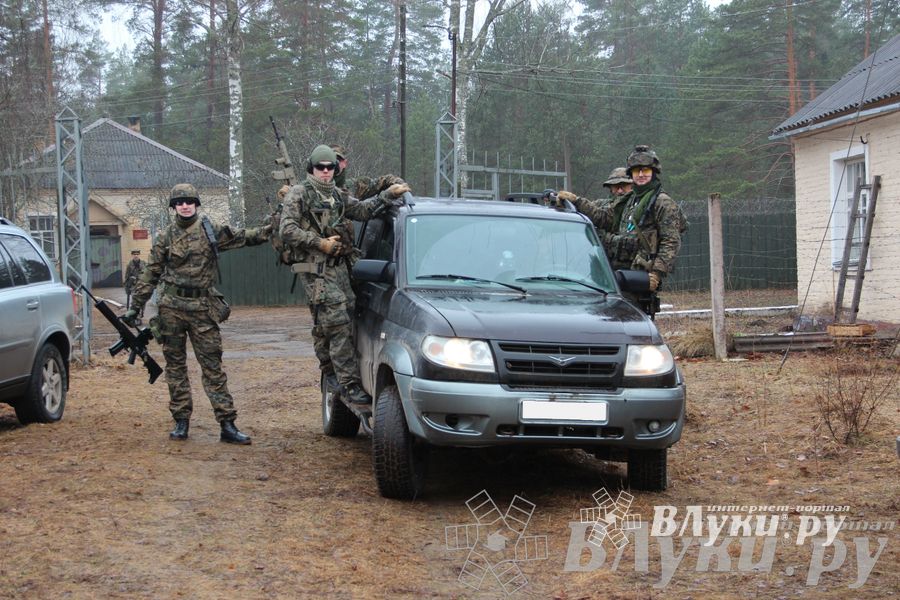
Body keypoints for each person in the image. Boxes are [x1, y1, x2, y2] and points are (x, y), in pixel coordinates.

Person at [123, 183, 271, 444]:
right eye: (179, 202)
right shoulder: (166, 236)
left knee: (213, 367)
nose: (185, 205)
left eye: (189, 200)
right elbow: (150, 273)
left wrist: (274, 229)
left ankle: (227, 424)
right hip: (171, 310)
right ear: (173, 207)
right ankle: (181, 421)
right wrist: (136, 306)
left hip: (203, 310)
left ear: (196, 203)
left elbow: (244, 237)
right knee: (175, 367)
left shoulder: (210, 230)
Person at [279, 145, 409, 405]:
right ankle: (347, 385)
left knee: (337, 322)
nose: (326, 172)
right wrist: (319, 243)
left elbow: (361, 210)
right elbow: (287, 229)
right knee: (336, 322)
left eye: (330, 168)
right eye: (320, 168)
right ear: (312, 169)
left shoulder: (336, 195)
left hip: (339, 268)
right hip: (317, 269)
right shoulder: (299, 193)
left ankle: (330, 371)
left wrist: (387, 195)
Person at [559, 146, 683, 301]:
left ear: (654, 172)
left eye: (646, 170)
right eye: (637, 171)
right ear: (631, 174)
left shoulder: (662, 202)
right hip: (617, 274)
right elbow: (604, 218)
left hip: (639, 276)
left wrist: (656, 273)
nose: (641, 174)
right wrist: (576, 201)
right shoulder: (629, 199)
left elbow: (671, 241)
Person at [123, 249, 146, 314]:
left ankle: (142, 312)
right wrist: (126, 286)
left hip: (142, 284)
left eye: (137, 254)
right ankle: (135, 313)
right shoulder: (129, 265)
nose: (136, 256)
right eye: (134, 254)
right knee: (134, 299)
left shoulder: (143, 263)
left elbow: (146, 274)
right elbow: (127, 276)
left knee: (142, 299)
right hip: (133, 285)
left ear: (139, 255)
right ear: (132, 255)